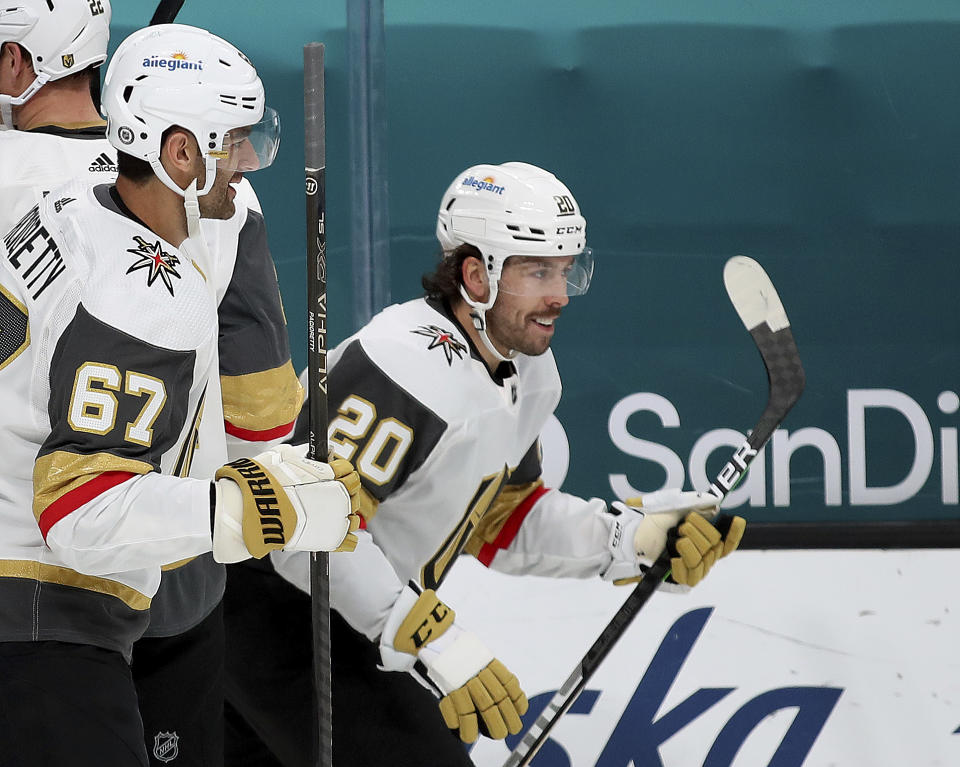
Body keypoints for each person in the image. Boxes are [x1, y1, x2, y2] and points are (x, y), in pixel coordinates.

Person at [222, 161, 746, 766]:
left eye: (566, 270)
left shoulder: (527, 371)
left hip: (346, 619)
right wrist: (425, 635)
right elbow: (301, 529)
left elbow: (501, 519)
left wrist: (625, 539)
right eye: (536, 270)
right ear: (476, 275)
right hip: (277, 616)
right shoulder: (402, 364)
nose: (558, 294)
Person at [0, 21, 361, 767]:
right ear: (179, 151)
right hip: (42, 612)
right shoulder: (149, 292)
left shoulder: (73, 205)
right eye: (233, 141)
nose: (250, 161)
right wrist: (250, 507)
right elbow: (78, 511)